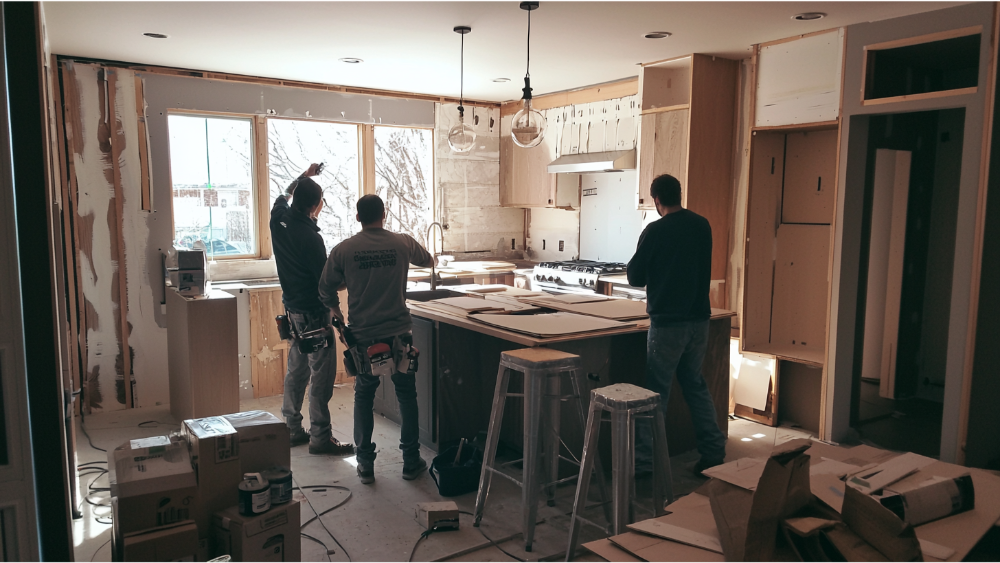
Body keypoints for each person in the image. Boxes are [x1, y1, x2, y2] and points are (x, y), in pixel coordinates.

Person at [318, 194, 435, 484]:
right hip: (399, 334)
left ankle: (365, 465)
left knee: (364, 394)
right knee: (406, 394)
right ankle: (410, 461)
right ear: (384, 214)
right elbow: (428, 260)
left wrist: (338, 315)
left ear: (358, 217)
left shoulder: (344, 250)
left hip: (364, 336)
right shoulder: (403, 243)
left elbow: (324, 289)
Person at [627, 174, 726, 476]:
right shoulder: (702, 225)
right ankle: (713, 452)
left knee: (656, 392)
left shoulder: (655, 231)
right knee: (694, 385)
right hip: (699, 320)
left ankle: (646, 464)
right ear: (679, 195)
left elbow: (635, 276)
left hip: (668, 324)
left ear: (656, 200)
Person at [270, 163, 353, 456]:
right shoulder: (311, 239)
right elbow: (325, 284)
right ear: (315, 206)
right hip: (315, 317)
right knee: (321, 376)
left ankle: (292, 429)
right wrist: (345, 293)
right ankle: (320, 437)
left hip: (293, 313)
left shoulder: (278, 219)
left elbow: (282, 194)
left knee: (296, 371)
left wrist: (304, 176)